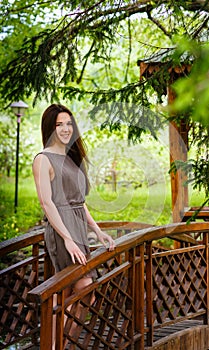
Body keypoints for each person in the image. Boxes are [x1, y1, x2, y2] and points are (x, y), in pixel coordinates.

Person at [32, 103, 115, 347]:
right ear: (50, 127)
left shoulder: (71, 157)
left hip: (77, 226)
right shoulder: (43, 159)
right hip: (61, 230)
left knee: (73, 292)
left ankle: (60, 342)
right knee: (81, 286)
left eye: (69, 123)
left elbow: (79, 202)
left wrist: (98, 232)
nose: (66, 129)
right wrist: (67, 238)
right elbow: (47, 203)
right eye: (59, 124)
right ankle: (56, 343)